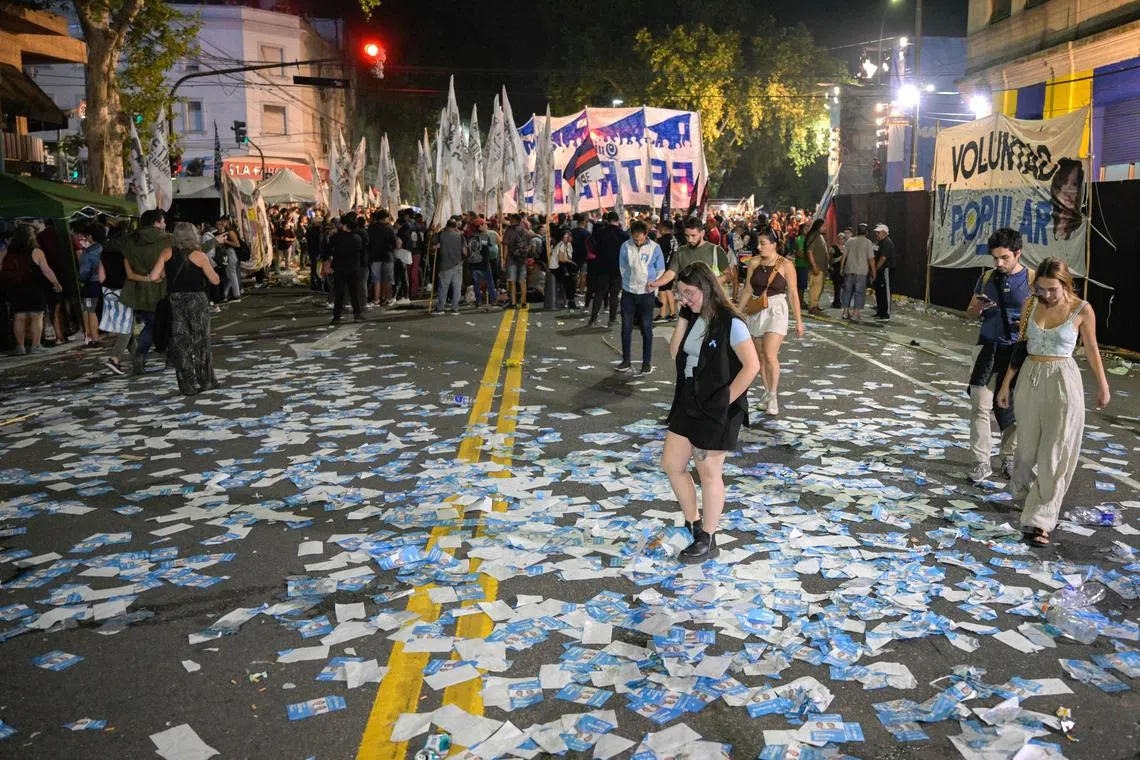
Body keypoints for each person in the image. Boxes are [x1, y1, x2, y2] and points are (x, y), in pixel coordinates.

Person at [996, 258, 1111, 547]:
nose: (1046, 295)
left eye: (1052, 290)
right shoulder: (1030, 305)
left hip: (1063, 380)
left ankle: (1040, 520)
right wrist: (1007, 384)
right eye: (1041, 289)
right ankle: (1025, 495)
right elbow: (1021, 347)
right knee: (1025, 452)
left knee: (1054, 453)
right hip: (1030, 378)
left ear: (1065, 284)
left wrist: (1103, 386)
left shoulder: (1082, 310)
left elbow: (1093, 348)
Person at [663, 262, 760, 562]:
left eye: (689, 293)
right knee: (672, 463)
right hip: (689, 398)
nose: (685, 299)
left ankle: (708, 537)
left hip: (719, 405)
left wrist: (726, 399)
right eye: (680, 294)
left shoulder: (731, 321)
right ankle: (693, 524)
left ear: (706, 287)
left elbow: (752, 366)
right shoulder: (693, 316)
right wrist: (684, 312)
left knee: (708, 472)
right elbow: (674, 352)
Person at [964, 228, 1034, 484]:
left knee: (1012, 410)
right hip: (987, 349)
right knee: (979, 406)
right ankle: (981, 462)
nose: (999, 263)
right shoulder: (987, 278)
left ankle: (1008, 457)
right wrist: (978, 307)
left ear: (1018, 253)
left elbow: (1043, 318)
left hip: (1016, 353)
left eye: (1004, 257)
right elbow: (970, 311)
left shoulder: (1032, 280)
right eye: (995, 258)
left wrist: (1024, 326)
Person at [735, 227, 803, 416]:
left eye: (763, 243)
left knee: (770, 354)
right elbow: (748, 289)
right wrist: (737, 312)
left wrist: (798, 320)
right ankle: (766, 392)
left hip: (777, 310)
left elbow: (793, 293)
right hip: (757, 310)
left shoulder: (786, 264)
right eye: (758, 243)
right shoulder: (754, 263)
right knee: (761, 357)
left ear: (774, 245)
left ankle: (773, 396)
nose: (759, 247)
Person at [147, 222, 221, 395]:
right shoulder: (200, 256)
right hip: (197, 301)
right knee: (201, 341)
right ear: (193, 236)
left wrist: (164, 277)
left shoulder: (167, 253)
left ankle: (187, 385)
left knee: (181, 343)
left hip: (175, 301)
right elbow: (215, 280)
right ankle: (206, 381)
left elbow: (153, 277)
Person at [120, 209, 172, 374]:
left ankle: (141, 356)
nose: (164, 224)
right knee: (163, 324)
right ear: (156, 222)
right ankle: (163, 356)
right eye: (163, 221)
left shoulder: (129, 241)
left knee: (151, 323)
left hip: (137, 290)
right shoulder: (168, 240)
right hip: (160, 289)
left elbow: (127, 267)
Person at [0, 224, 63, 355]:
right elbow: (46, 270)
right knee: (36, 316)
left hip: (14, 289)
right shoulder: (37, 252)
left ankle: (20, 347)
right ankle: (36, 345)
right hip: (34, 288)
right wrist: (56, 282)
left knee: (19, 317)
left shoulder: (6, 252)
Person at [616, 220, 665, 374]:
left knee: (646, 327)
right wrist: (629, 284)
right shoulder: (625, 246)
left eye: (640, 238)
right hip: (629, 293)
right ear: (631, 235)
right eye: (635, 239)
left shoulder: (655, 248)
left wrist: (654, 284)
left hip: (647, 294)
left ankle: (646, 363)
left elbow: (661, 268)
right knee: (626, 327)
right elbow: (622, 267)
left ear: (646, 235)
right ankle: (626, 361)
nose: (638, 241)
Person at [653, 217, 732, 292]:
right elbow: (671, 273)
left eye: (693, 235)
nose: (690, 239)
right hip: (688, 300)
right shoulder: (681, 251)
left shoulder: (716, 250)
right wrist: (655, 283)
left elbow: (728, 275)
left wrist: (710, 283)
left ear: (702, 233)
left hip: (710, 300)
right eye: (687, 236)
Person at [97, 224, 133, 375]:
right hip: (124, 290)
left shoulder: (103, 252)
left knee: (123, 325)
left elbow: (101, 277)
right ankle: (115, 358)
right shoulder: (126, 251)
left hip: (108, 291)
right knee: (127, 327)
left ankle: (137, 357)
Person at [587, 211, 627, 327]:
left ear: (607, 220)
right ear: (617, 220)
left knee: (599, 293)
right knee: (614, 295)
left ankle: (593, 319)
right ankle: (612, 319)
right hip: (617, 268)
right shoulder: (623, 235)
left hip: (601, 267)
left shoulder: (599, 233)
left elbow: (593, 249)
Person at [326, 212, 364, 324]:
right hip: (354, 268)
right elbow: (361, 253)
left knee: (339, 294)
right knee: (354, 293)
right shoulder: (357, 238)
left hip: (339, 268)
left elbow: (328, 250)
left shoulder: (336, 237)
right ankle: (357, 315)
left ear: (345, 225)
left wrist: (329, 263)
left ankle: (336, 317)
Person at [839, 224, 876, 322]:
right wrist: (873, 271)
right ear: (867, 232)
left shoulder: (850, 241)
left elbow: (844, 255)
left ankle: (845, 312)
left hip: (849, 269)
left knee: (847, 291)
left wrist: (841, 268)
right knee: (859, 293)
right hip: (861, 271)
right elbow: (871, 259)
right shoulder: (868, 242)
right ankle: (856, 313)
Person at [76, 225, 105, 347]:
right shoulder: (106, 248)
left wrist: (81, 280)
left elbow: (83, 272)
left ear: (91, 236)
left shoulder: (88, 252)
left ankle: (93, 337)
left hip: (91, 285)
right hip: (104, 284)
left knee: (90, 310)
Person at [367, 210, 397, 307]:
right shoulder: (389, 228)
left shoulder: (371, 228)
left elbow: (368, 242)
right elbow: (393, 243)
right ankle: (387, 298)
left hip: (375, 256)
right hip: (388, 256)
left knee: (376, 279)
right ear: (386, 218)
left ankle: (376, 299)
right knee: (387, 279)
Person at [434, 217, 464, 315]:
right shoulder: (460, 236)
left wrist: (436, 230)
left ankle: (441, 308)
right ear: (455, 226)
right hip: (458, 264)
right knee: (457, 287)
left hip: (445, 265)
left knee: (443, 287)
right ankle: (455, 308)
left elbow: (433, 242)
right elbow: (465, 251)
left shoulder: (441, 235)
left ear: (446, 226)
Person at [467, 219, 498, 311]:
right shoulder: (485, 236)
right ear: (480, 226)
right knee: (490, 282)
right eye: (484, 224)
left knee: (476, 284)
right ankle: (493, 300)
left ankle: (479, 301)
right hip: (484, 264)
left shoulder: (470, 236)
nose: (486, 226)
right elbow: (488, 247)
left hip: (473, 263)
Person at [501, 214, 530, 310]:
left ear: (513, 220)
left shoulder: (508, 231)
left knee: (512, 282)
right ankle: (524, 302)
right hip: (523, 260)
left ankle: (513, 303)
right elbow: (528, 247)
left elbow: (505, 247)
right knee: (523, 281)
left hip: (511, 260)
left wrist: (504, 260)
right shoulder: (525, 232)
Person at [656, 219, 679, 321]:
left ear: (664, 228)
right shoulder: (673, 238)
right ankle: (673, 313)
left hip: (664, 268)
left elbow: (658, 254)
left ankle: (662, 314)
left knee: (662, 290)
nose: (658, 228)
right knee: (668, 290)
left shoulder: (663, 240)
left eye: (660, 227)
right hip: (672, 267)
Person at [804, 219, 829, 315]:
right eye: (823, 226)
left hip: (821, 267)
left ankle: (815, 305)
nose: (825, 228)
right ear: (818, 227)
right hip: (816, 268)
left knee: (819, 287)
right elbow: (809, 251)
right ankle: (813, 306)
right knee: (815, 287)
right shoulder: (814, 236)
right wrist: (814, 265)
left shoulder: (819, 236)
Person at [871, 223, 894, 320]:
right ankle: (880, 311)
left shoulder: (887, 242)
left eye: (878, 232)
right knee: (879, 291)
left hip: (885, 270)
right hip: (879, 271)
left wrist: (875, 270)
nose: (876, 234)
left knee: (885, 291)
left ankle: (886, 313)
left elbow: (883, 258)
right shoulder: (878, 242)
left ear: (884, 233)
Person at [551, 227, 577, 310]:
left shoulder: (568, 245)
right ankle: (571, 300)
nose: (571, 238)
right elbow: (561, 259)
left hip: (564, 266)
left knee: (573, 279)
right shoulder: (561, 245)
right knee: (569, 281)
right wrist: (571, 263)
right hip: (557, 267)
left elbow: (568, 258)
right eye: (568, 236)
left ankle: (571, 299)